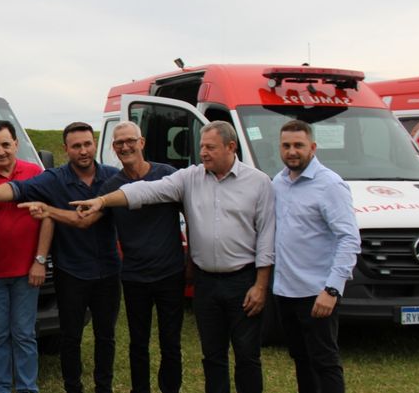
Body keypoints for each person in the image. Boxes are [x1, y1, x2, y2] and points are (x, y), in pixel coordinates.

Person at [72, 120, 275, 393]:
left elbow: (267, 237)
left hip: (243, 280)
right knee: (213, 355)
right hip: (205, 283)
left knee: (247, 355)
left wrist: (260, 285)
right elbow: (146, 189)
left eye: (210, 147)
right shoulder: (189, 178)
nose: (203, 153)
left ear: (231, 147)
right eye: (201, 146)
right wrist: (103, 200)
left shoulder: (259, 182)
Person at [0, 122, 120, 393]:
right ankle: (21, 388)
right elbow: (14, 192)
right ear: (65, 149)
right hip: (36, 272)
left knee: (97, 336)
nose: (82, 150)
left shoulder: (110, 177)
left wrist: (41, 255)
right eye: (76, 146)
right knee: (27, 335)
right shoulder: (48, 178)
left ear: (16, 144)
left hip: (86, 271)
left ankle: (51, 388)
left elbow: (77, 219)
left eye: (87, 144)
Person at [94, 122, 186, 393]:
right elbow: (87, 219)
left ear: (142, 142)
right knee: (138, 343)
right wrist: (50, 212)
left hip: (170, 273)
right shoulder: (111, 187)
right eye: (119, 143)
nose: (125, 147)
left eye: (130, 141)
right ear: (113, 148)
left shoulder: (167, 175)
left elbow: (193, 213)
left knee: (171, 342)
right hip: (135, 277)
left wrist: (193, 257)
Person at [272, 120, 360, 393]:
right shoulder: (278, 182)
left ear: (312, 147)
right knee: (301, 358)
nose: (292, 151)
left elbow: (349, 239)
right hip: (286, 292)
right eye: (286, 145)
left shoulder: (330, 184)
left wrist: (332, 289)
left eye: (298, 145)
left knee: (324, 362)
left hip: (317, 293)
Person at [0, 120, 51, 393]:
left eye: (6, 144)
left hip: (28, 271)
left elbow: (48, 217)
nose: (1, 151)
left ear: (16, 143)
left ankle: (27, 388)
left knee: (24, 334)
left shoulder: (35, 173)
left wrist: (40, 261)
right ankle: (1, 387)